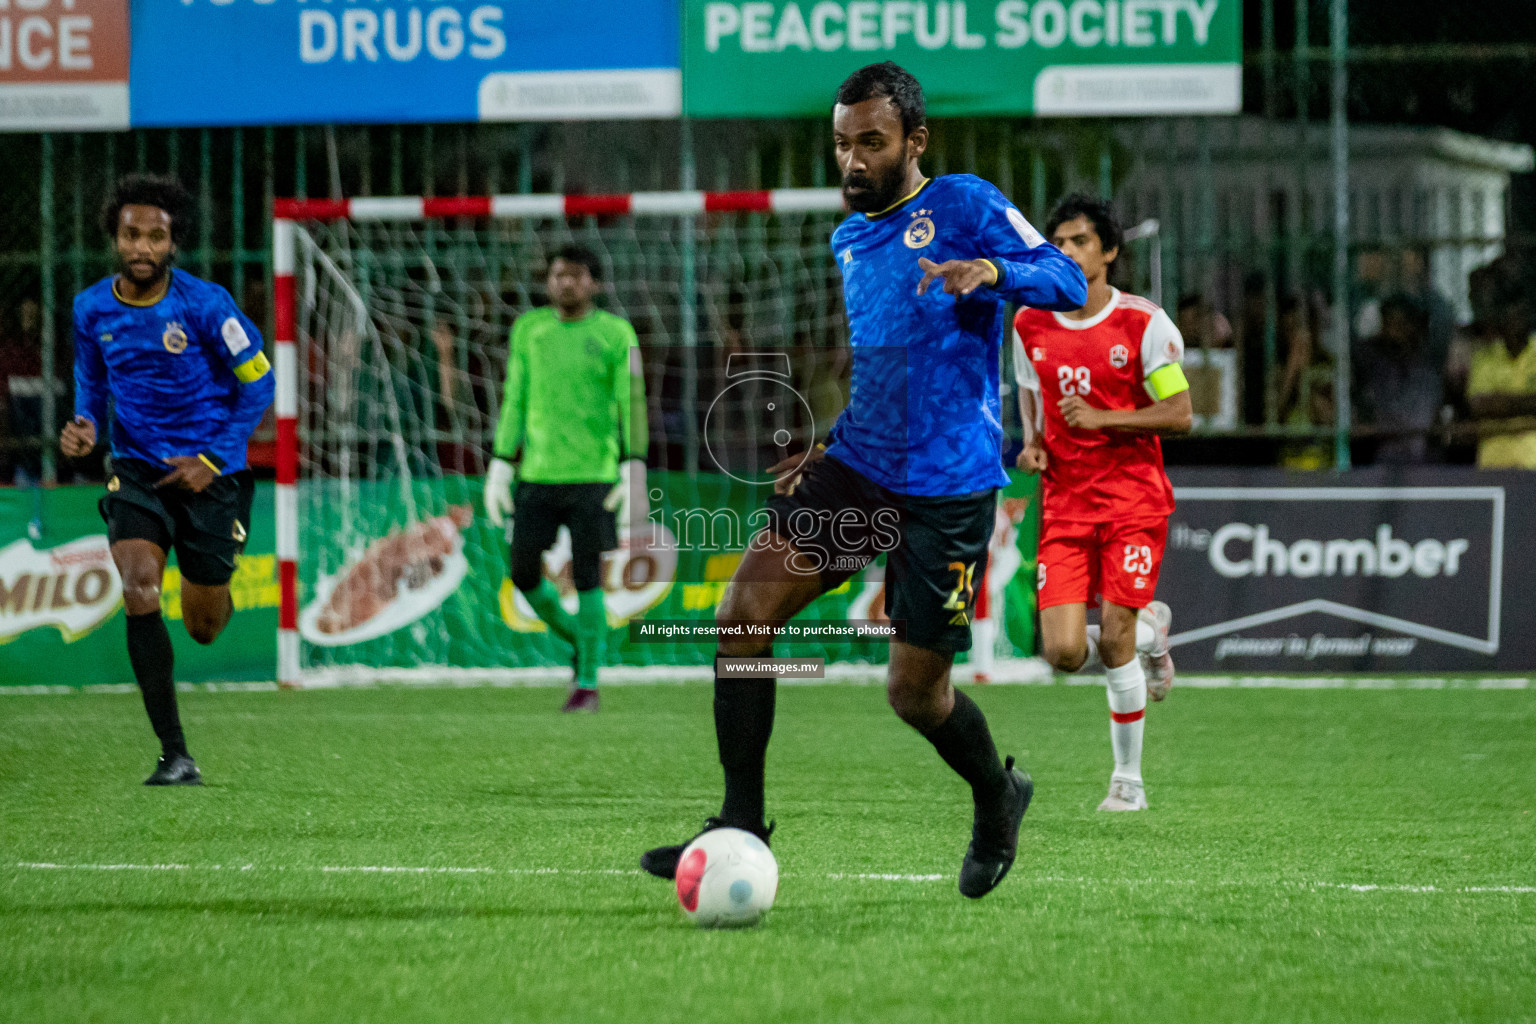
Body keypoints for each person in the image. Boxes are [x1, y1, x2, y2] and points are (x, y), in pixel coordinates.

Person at [639, 62, 1087, 899]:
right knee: (740, 620)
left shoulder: (964, 204)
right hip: (856, 472)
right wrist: (829, 445)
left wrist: (995, 273)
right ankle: (740, 820)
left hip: (948, 491)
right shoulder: (849, 239)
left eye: (870, 143)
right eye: (842, 145)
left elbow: (1062, 278)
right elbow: (884, 368)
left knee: (915, 695)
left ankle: (998, 795)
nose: (852, 161)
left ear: (915, 142)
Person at [59, 174, 274, 785]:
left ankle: (216, 574)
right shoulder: (90, 308)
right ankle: (174, 753)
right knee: (139, 587)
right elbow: (93, 382)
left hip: (213, 476)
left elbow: (259, 382)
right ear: (115, 238)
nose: (143, 248)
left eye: (156, 237)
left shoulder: (207, 305)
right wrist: (83, 425)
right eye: (132, 235)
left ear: (173, 244)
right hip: (136, 471)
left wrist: (212, 459)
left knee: (204, 625)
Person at [1012, 193, 1191, 813]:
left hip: (1133, 503)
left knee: (1113, 641)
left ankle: (1128, 782)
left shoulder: (1144, 324)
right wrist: (1031, 449)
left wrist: (1104, 418)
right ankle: (1152, 629)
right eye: (1058, 242)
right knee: (1062, 653)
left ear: (1109, 252)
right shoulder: (1029, 323)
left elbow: (1180, 413)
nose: (1066, 252)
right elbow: (1032, 410)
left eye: (1080, 241)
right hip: (1064, 505)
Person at [483, 244, 649, 712]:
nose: (566, 283)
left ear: (594, 284)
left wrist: (632, 464)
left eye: (576, 275)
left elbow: (631, 402)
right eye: (558, 275)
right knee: (522, 572)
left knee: (589, 576)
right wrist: (500, 461)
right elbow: (515, 398)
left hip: (595, 476)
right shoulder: (528, 330)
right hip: (537, 475)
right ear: (548, 281)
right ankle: (583, 641)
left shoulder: (617, 333)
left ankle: (588, 685)